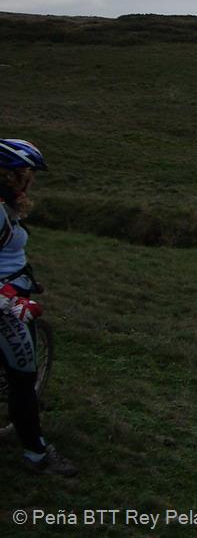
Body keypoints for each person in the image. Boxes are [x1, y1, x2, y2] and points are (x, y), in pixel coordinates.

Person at [0, 139, 76, 476]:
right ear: (10, 174)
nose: (30, 180)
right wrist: (11, 300)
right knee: (23, 380)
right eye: (27, 173)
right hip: (7, 306)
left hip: (14, 288)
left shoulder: (5, 205)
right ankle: (36, 454)